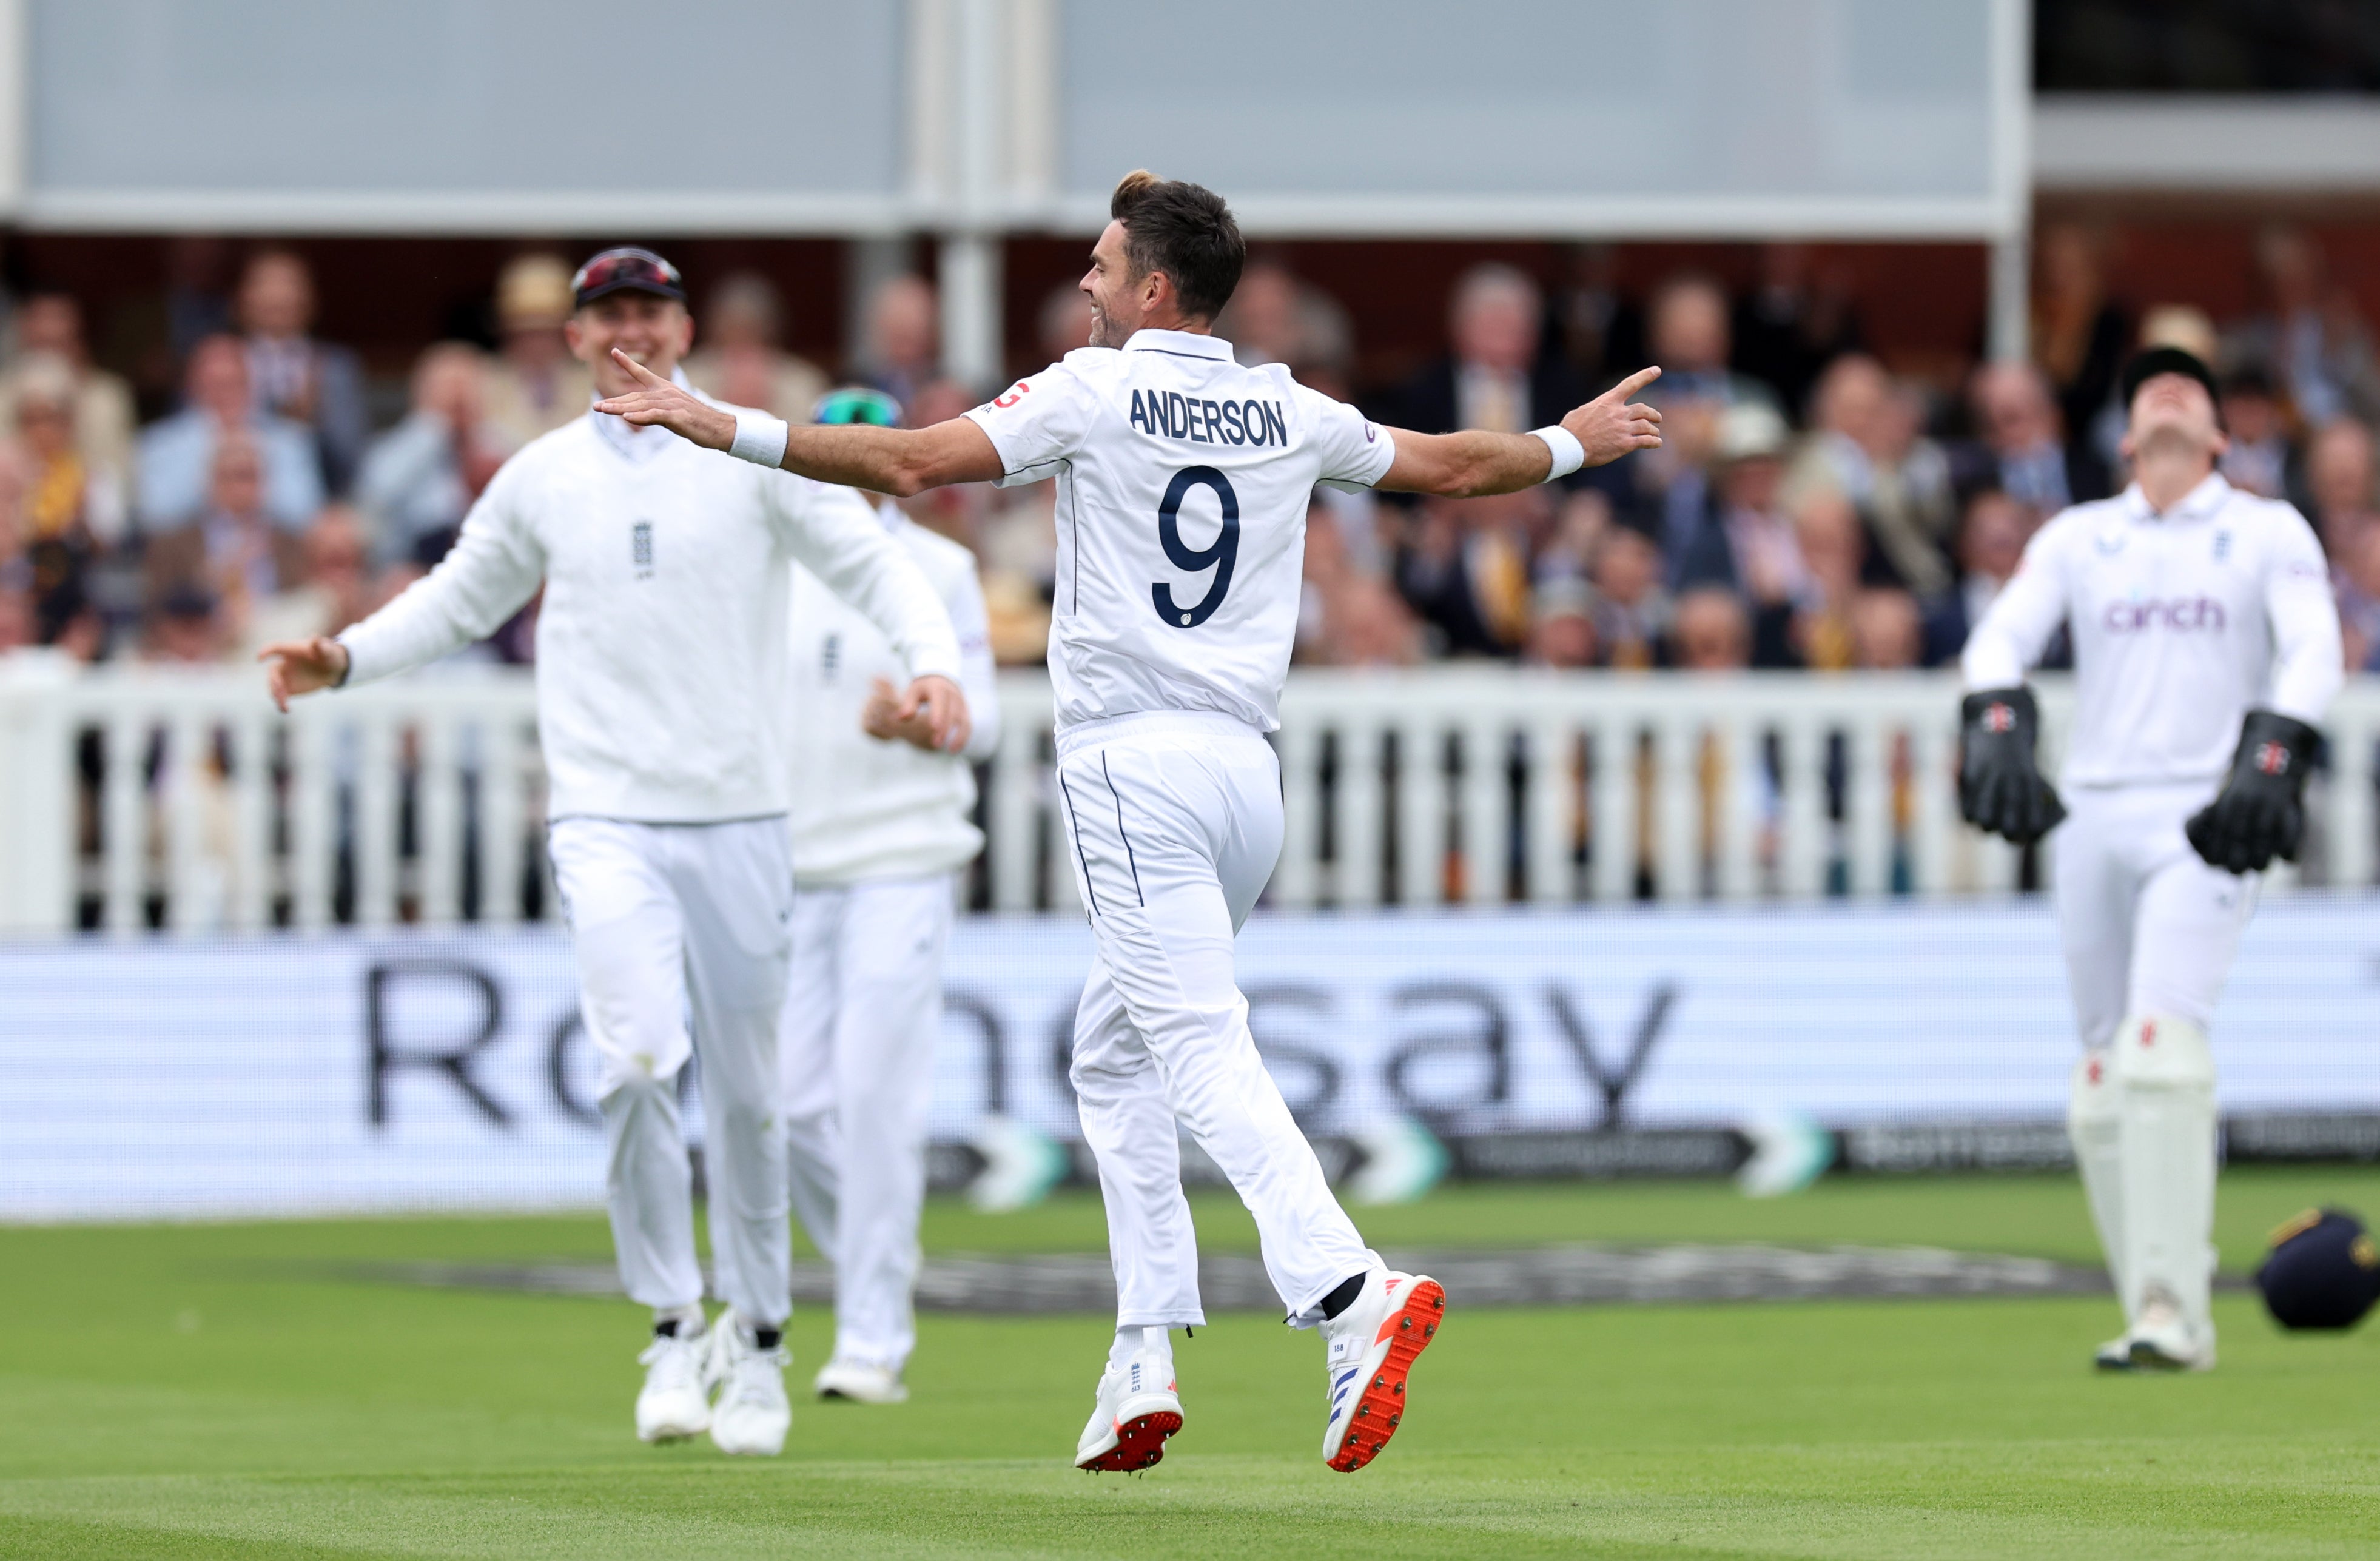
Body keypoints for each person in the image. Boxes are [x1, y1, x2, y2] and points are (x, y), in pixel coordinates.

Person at [597, 169, 1663, 1475]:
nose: (1087, 283)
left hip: (1133, 765)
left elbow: (912, 461)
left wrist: (715, 425)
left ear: (1155, 286)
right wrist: (1567, 442)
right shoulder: (1285, 404)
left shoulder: (1087, 390)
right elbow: (1451, 465)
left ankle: (1349, 1293)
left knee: (1197, 1047)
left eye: (1104, 264)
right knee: (1113, 1058)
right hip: (1243, 782)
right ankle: (1142, 1351)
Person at [260, 247, 967, 1457]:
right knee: (637, 1064)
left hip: (740, 815)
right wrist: (348, 658)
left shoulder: (751, 451)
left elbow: (879, 565)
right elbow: (461, 595)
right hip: (607, 815)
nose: (630, 329)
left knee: (748, 1102)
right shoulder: (544, 475)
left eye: (650, 309)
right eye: (609, 315)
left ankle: (756, 1343)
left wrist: (938, 665)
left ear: (684, 328)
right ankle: (669, 1323)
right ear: (578, 339)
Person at [1958, 346, 2342, 1372]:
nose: (2168, 389)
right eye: (2148, 387)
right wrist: (1995, 722)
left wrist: (2273, 750)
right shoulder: (2080, 535)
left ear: (2219, 434)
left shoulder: (2263, 527)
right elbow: (1995, 638)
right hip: (2089, 810)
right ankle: (2147, 1307)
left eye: (2191, 386)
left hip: (2202, 813)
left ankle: (2175, 1310)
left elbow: (2313, 647)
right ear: (2124, 437)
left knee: (2159, 1043)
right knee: (2097, 1076)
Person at [776, 384, 1003, 1408]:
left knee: (874, 1099)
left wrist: (921, 721)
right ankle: (882, 1259)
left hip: (901, 860)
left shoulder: (940, 568)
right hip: (790, 863)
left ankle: (871, 1333)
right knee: (790, 1109)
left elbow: (985, 721)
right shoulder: (773, 567)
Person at [136, 335, 322, 535]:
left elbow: (306, 514)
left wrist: (251, 482)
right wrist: (215, 455)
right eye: (215, 385)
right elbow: (155, 516)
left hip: (272, 557)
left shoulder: (290, 440)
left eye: (235, 383)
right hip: (191, 560)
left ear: (252, 385)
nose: (226, 394)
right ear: (192, 388)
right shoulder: (159, 442)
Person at [356, 343, 515, 568]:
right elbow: (377, 496)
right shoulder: (395, 448)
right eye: (448, 386)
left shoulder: (498, 443)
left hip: (488, 561)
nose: (459, 395)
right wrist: (435, 428)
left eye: (468, 385)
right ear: (422, 392)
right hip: (412, 563)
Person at [237, 249, 370, 497]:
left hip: (317, 507)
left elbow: (352, 458)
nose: (277, 297)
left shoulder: (335, 367)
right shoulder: (221, 363)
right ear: (244, 298)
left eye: (289, 285)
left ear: (309, 299)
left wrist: (315, 423)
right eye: (265, 285)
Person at [682, 273, 829, 422]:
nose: (741, 338)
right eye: (732, 327)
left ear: (771, 330)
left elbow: (814, 436)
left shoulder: (803, 384)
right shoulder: (685, 380)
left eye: (752, 329)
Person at [483, 255, 594, 447]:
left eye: (547, 333)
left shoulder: (594, 385)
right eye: (528, 333)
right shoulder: (482, 384)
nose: (538, 344)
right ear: (508, 334)